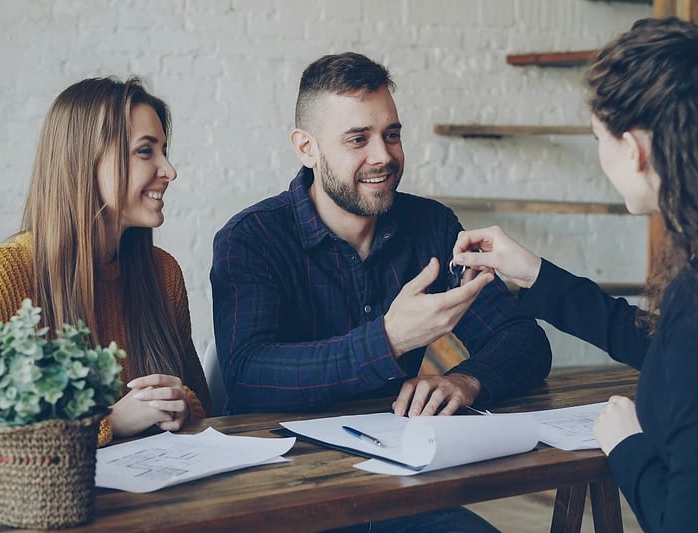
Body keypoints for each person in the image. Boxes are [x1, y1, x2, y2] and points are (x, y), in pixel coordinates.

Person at [210, 52, 551, 531]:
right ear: (307, 148)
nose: (384, 156)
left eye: (392, 134)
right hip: (282, 495)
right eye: (358, 139)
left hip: (399, 488)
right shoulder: (251, 238)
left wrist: (465, 380)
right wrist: (388, 340)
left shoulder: (431, 226)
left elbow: (523, 339)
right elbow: (248, 375)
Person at [452, 18, 698, 533]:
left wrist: (629, 446)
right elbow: (668, 349)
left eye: (597, 138)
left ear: (635, 151)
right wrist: (534, 274)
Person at [0, 77, 211, 459]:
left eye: (164, 150)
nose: (169, 170)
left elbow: (204, 402)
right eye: (145, 151)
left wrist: (181, 404)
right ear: (85, 162)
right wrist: (105, 422)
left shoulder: (163, 273)